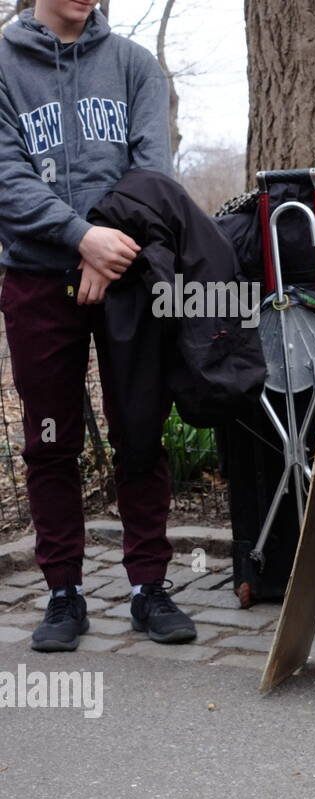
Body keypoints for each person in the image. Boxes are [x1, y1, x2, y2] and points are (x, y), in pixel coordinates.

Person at [0, 0, 196, 651]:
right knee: (49, 439)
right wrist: (79, 236)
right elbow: (6, 177)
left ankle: (148, 586)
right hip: (36, 278)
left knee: (139, 429)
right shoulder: (2, 63)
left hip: (127, 277)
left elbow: (152, 173)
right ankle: (63, 591)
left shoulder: (135, 65)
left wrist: (109, 251)